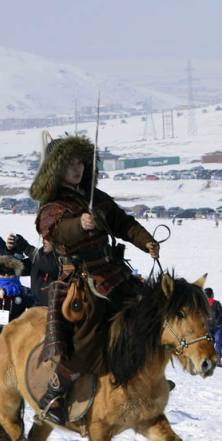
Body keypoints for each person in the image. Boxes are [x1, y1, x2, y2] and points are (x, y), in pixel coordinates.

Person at [29, 134, 160, 425]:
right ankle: (55, 393)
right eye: (70, 164)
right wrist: (81, 224)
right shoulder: (51, 204)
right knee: (88, 333)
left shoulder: (95, 197)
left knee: (147, 307)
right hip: (78, 278)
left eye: (80, 163)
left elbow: (122, 222)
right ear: (56, 168)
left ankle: (140, 372)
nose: (77, 169)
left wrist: (146, 241)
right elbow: (59, 232)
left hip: (113, 271)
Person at [0, 256, 39, 354]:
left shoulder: (24, 292)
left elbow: (37, 312)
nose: (6, 277)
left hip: (18, 339)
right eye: (2, 274)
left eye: (9, 274)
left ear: (16, 274)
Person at [6, 232, 57, 306]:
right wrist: (13, 251)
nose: (43, 242)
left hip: (54, 310)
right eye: (43, 238)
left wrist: (26, 248)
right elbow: (18, 269)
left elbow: (50, 266)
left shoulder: (64, 257)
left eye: (46, 239)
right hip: (36, 308)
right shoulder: (40, 256)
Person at [205, 287, 222, 360]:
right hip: (217, 326)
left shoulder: (203, 304)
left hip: (208, 326)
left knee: (210, 342)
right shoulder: (216, 303)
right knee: (218, 342)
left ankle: (209, 357)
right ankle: (217, 359)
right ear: (212, 295)